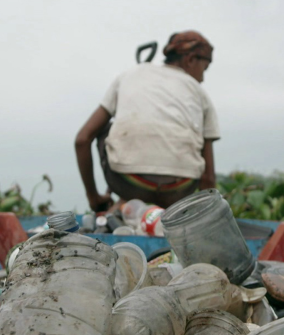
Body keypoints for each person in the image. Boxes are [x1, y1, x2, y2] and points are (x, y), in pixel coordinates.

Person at [74, 30, 220, 212]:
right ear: (190, 60)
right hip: (179, 189)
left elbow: (82, 139)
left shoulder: (129, 75)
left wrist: (93, 198)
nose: (202, 78)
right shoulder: (200, 94)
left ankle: (126, 202)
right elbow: (208, 178)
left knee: (107, 130)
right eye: (204, 69)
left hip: (129, 183)